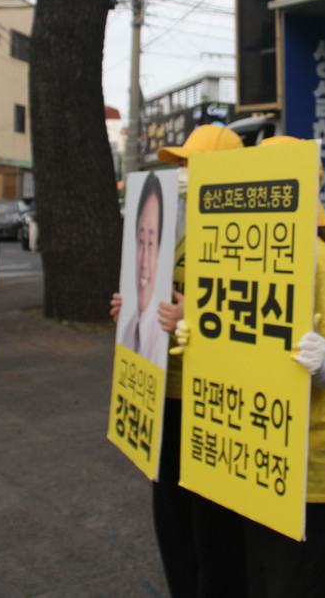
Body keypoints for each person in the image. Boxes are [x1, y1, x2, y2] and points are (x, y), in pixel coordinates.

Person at [109, 123, 247, 598]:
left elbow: (259, 315)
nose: (182, 173)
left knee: (216, 531)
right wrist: (132, 309)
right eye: (180, 164)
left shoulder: (247, 235)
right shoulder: (177, 229)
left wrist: (199, 314)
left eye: (191, 164)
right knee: (172, 518)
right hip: (163, 394)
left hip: (213, 401)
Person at [230, 135, 325, 598]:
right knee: (264, 575)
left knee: (300, 580)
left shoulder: (322, 262)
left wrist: (316, 366)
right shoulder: (258, 252)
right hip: (260, 451)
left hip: (309, 456)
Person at [116, 172, 166, 364]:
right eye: (141, 241)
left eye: (151, 243)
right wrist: (124, 309)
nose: (144, 261)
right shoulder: (131, 326)